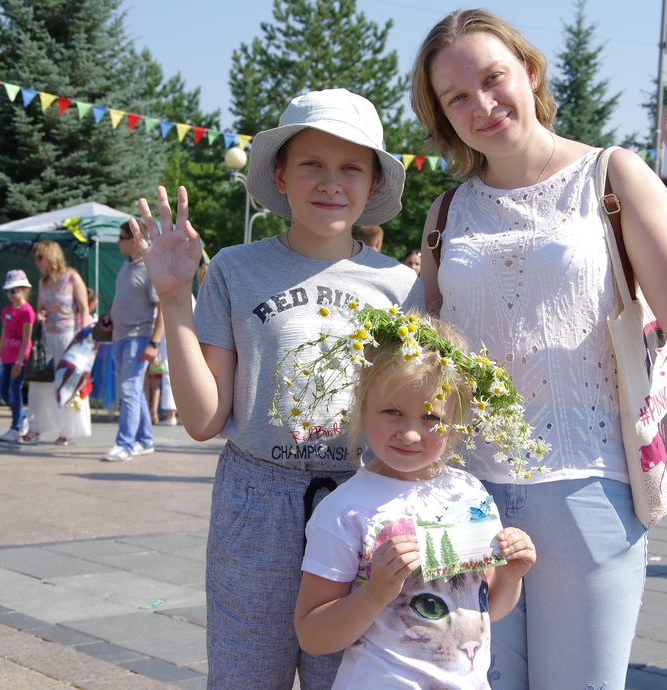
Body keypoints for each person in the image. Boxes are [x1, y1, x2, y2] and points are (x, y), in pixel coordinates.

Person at [410, 9, 667, 687]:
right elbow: (428, 360)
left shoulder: (610, 175)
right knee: (463, 681)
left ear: (529, 72)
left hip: (586, 489)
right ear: (442, 116)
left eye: (493, 79)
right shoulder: (445, 213)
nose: (482, 105)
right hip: (460, 496)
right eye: (457, 97)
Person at [132, 88, 425, 688]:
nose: (331, 182)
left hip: (361, 503)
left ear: (373, 184)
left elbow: (413, 415)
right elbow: (203, 419)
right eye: (312, 163)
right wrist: (174, 298)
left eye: (351, 168)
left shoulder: (401, 286)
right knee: (245, 676)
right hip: (256, 502)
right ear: (281, 175)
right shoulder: (234, 270)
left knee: (346, 678)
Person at [295, 311, 536, 688]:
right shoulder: (344, 511)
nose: (410, 434)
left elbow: (488, 609)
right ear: (363, 406)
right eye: (393, 412)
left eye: (430, 418)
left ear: (456, 419)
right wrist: (375, 594)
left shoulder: (469, 495)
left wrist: (510, 575)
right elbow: (312, 636)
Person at [101, 220, 165, 462]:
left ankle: (124, 444)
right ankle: (145, 440)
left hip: (138, 338)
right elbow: (120, 297)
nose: (118, 242)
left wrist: (154, 343)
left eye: (121, 237)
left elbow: (162, 309)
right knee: (133, 390)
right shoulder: (126, 265)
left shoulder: (150, 269)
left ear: (135, 240)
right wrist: (109, 315)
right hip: (119, 336)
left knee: (128, 390)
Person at [22, 241, 92, 446]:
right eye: (36, 258)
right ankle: (36, 427)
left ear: (51, 256)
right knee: (40, 383)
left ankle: (68, 429)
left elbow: (84, 308)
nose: (37, 262)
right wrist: (41, 315)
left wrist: (82, 336)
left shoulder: (72, 277)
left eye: (40, 257)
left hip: (68, 336)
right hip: (47, 337)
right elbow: (40, 308)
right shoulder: (43, 282)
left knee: (67, 382)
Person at [0, 270, 35, 442]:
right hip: (7, 356)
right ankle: (22, 416)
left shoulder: (27, 311)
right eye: (7, 291)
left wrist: (19, 362)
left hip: (19, 357)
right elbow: (3, 337)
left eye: (13, 291)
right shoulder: (6, 311)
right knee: (2, 389)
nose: (10, 294)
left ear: (23, 290)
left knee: (14, 390)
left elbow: (26, 339)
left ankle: (16, 426)